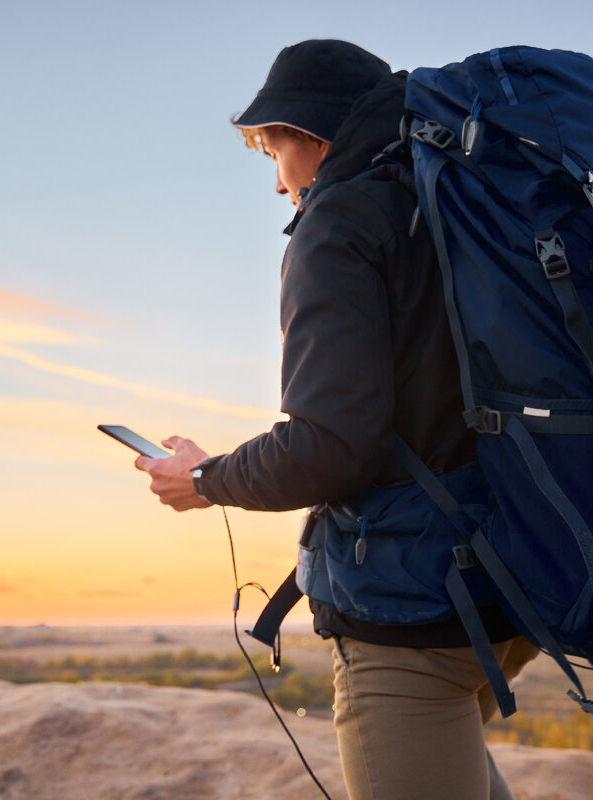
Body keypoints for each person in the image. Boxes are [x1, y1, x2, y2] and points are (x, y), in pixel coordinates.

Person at [136, 39, 538, 800]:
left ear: (313, 134)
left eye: (272, 146)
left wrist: (203, 478)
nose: (275, 175)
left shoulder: (339, 222)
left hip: (413, 608)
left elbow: (330, 449)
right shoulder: (444, 204)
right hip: (510, 584)